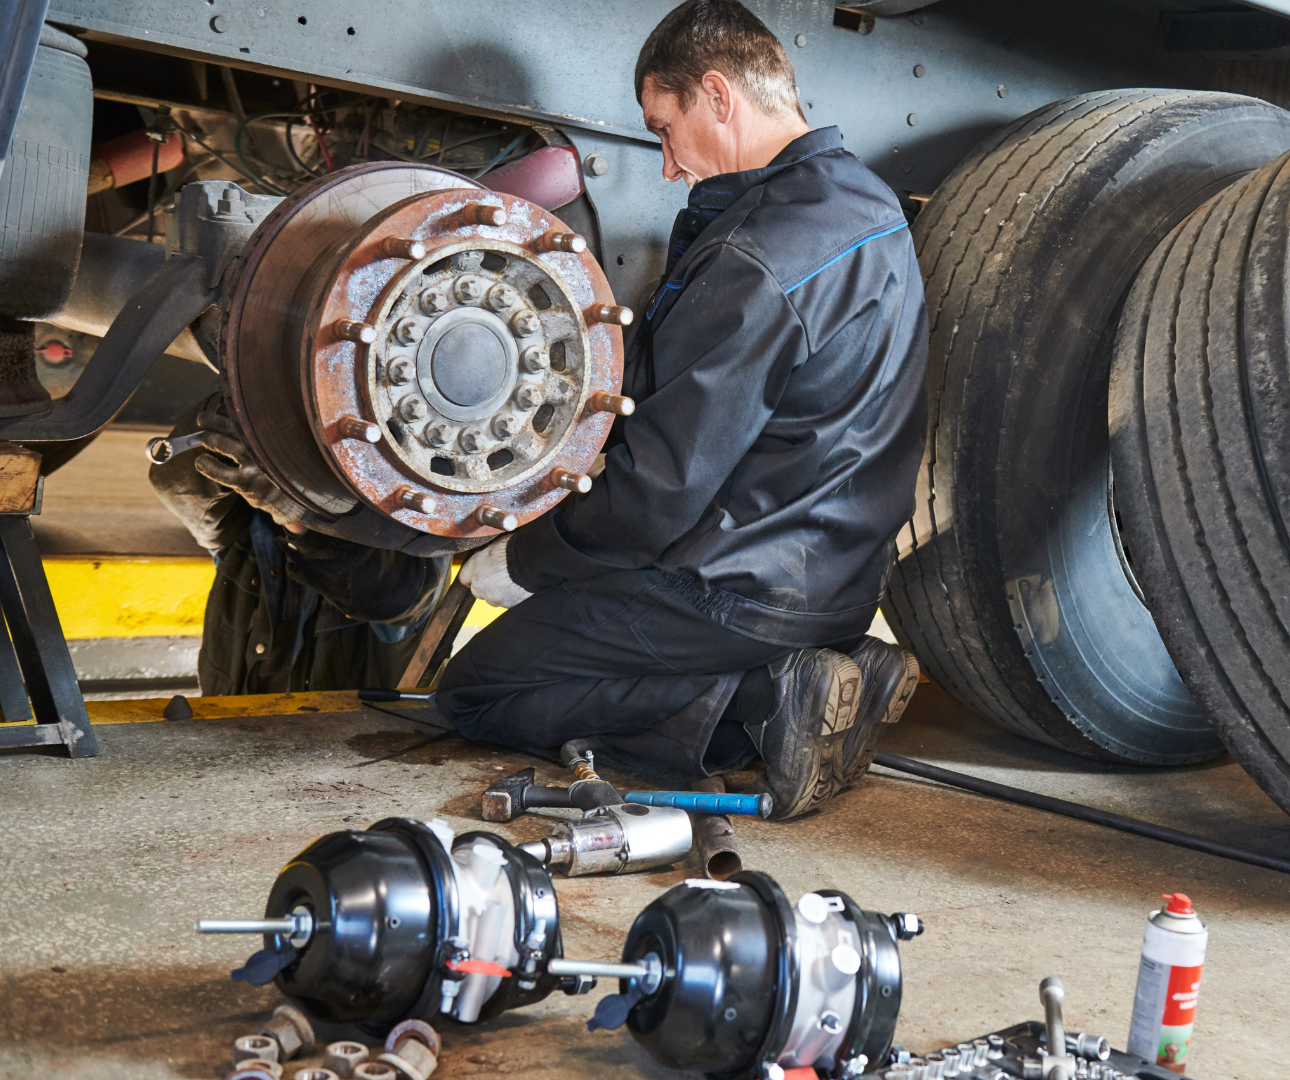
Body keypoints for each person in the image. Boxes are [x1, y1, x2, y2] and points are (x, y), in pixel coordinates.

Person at [434, 0, 929, 819]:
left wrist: (526, 562)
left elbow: (657, 495)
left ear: (718, 94)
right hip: (837, 584)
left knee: (479, 691)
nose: (667, 164)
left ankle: (761, 707)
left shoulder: (754, 254)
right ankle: (836, 669)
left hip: (740, 592)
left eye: (665, 128)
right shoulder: (869, 206)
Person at [149, 394, 450, 694]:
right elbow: (172, 480)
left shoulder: (412, 535)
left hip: (344, 740)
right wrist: (235, 406)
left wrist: (295, 512)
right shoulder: (248, 526)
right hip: (234, 733)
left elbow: (395, 599)